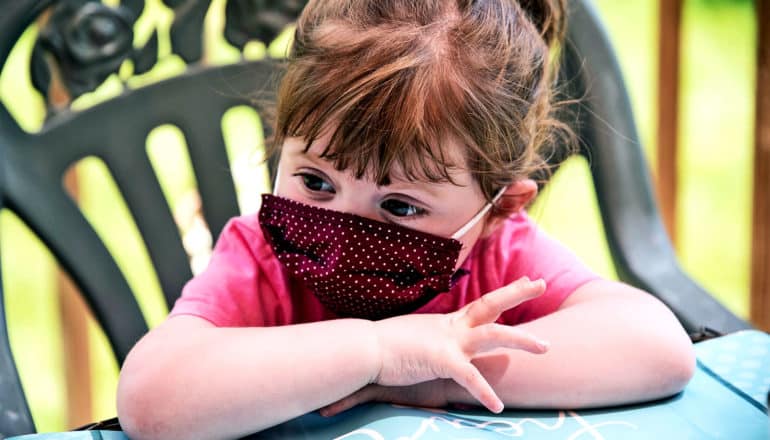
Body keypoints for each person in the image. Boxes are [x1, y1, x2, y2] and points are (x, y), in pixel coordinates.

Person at [117, 0, 695, 438]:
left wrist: (437, 376)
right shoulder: (259, 259)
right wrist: (375, 352)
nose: (342, 229)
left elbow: (658, 346)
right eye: (316, 181)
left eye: (399, 206)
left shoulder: (500, 255)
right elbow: (150, 399)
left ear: (500, 210)